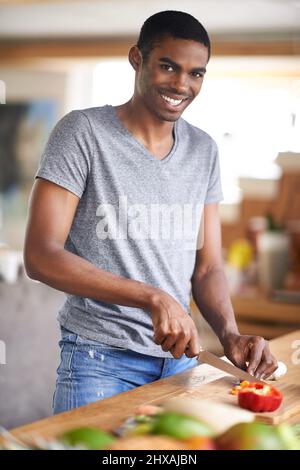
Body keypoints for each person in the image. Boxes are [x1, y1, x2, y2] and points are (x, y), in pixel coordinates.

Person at [24, 10, 278, 414]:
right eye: (168, 66)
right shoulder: (82, 134)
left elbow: (208, 266)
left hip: (180, 361)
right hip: (99, 360)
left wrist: (230, 335)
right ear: (136, 59)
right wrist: (152, 297)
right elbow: (40, 256)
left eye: (196, 74)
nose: (182, 84)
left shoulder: (204, 150)